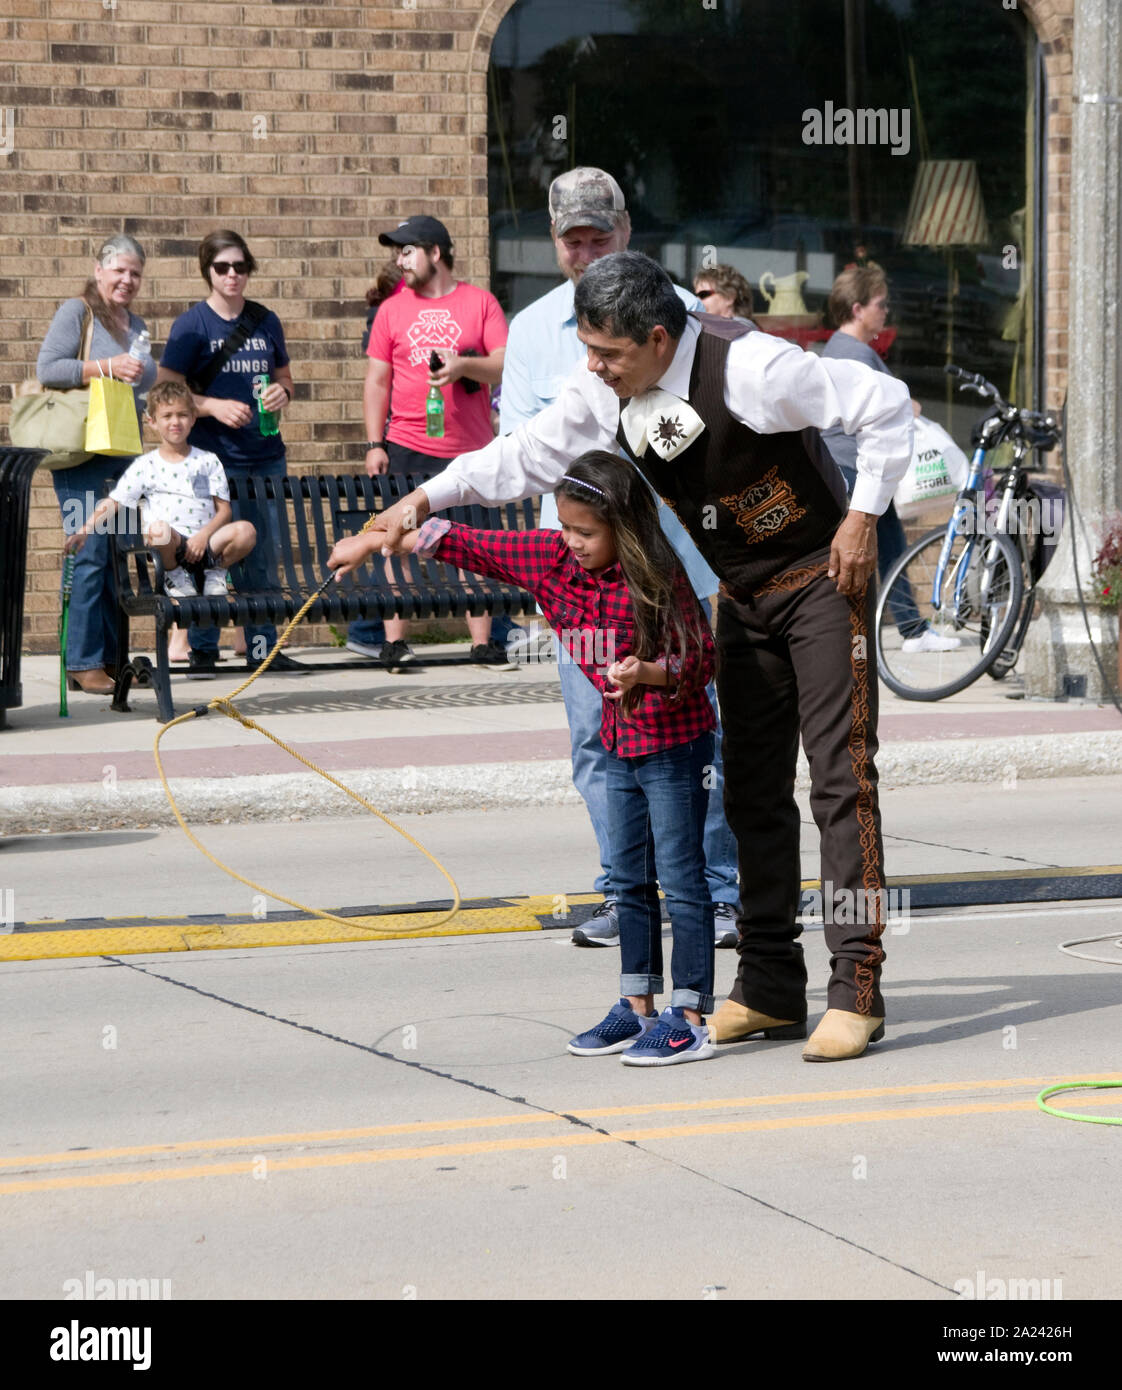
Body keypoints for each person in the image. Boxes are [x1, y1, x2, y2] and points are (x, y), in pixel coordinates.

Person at [362, 250, 915, 1063]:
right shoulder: (604, 391)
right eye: (588, 349)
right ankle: (767, 985)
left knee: (840, 779)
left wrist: (862, 518)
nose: (593, 366)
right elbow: (524, 455)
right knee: (750, 792)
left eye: (608, 353)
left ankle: (856, 987)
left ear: (659, 338)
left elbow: (887, 405)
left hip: (820, 581)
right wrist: (423, 497)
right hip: (742, 596)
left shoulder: (752, 366)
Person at [331, 452, 719, 1065]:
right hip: (618, 744)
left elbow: (703, 660)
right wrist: (371, 537)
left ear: (625, 528)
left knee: (682, 880)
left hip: (674, 746)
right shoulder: (552, 559)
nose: (572, 542)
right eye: (565, 528)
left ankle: (690, 1015)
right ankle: (637, 1005)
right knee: (629, 881)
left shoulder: (659, 577)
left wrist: (651, 671)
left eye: (585, 532)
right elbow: (460, 541)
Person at [500, 167, 740, 950]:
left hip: (684, 568)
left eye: (599, 236)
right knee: (599, 739)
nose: (585, 250)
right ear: (554, 242)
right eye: (573, 239)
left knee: (700, 736)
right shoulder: (533, 330)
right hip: (587, 588)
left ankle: (717, 891)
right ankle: (626, 891)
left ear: (627, 232)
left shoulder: (685, 320)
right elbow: (523, 455)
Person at [359, 214, 513, 672]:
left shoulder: (480, 303)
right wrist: (374, 442)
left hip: (470, 448)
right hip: (407, 443)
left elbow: (504, 364)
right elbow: (377, 380)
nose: (399, 261)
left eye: (407, 251)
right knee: (397, 539)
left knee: (476, 545)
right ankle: (395, 644)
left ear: (435, 253)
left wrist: (464, 366)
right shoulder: (391, 309)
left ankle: (483, 644)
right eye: (398, 253)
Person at [157, 229, 302, 675]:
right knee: (210, 552)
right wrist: (211, 406)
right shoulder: (192, 325)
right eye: (223, 267)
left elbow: (286, 380)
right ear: (208, 272)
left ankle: (262, 649)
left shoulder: (265, 320)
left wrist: (282, 394)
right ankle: (203, 648)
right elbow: (166, 393)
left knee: (263, 553)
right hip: (212, 460)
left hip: (265, 454)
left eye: (240, 266)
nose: (233, 275)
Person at [37, 233, 158, 695]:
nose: (127, 280)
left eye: (135, 273)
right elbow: (49, 368)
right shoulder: (77, 312)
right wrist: (107, 367)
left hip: (124, 454)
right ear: (99, 270)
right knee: (88, 554)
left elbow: (136, 383)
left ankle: (110, 659)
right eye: (119, 270)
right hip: (82, 454)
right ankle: (83, 662)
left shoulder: (137, 324)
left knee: (116, 559)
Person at [820, 265, 960, 653]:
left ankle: (905, 628)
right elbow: (883, 407)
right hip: (858, 468)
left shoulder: (838, 348)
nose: (885, 312)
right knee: (885, 550)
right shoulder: (856, 354)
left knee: (880, 549)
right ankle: (910, 631)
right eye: (880, 305)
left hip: (848, 465)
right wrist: (909, 405)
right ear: (857, 307)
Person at [63, 380, 256, 603]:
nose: (175, 422)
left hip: (208, 544)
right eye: (167, 416)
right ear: (152, 421)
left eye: (182, 415)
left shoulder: (208, 460)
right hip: (171, 547)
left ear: (193, 418)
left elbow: (224, 512)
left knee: (246, 531)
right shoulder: (146, 465)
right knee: (158, 530)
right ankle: (174, 577)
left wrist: (203, 536)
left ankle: (216, 572)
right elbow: (115, 501)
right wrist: (85, 529)